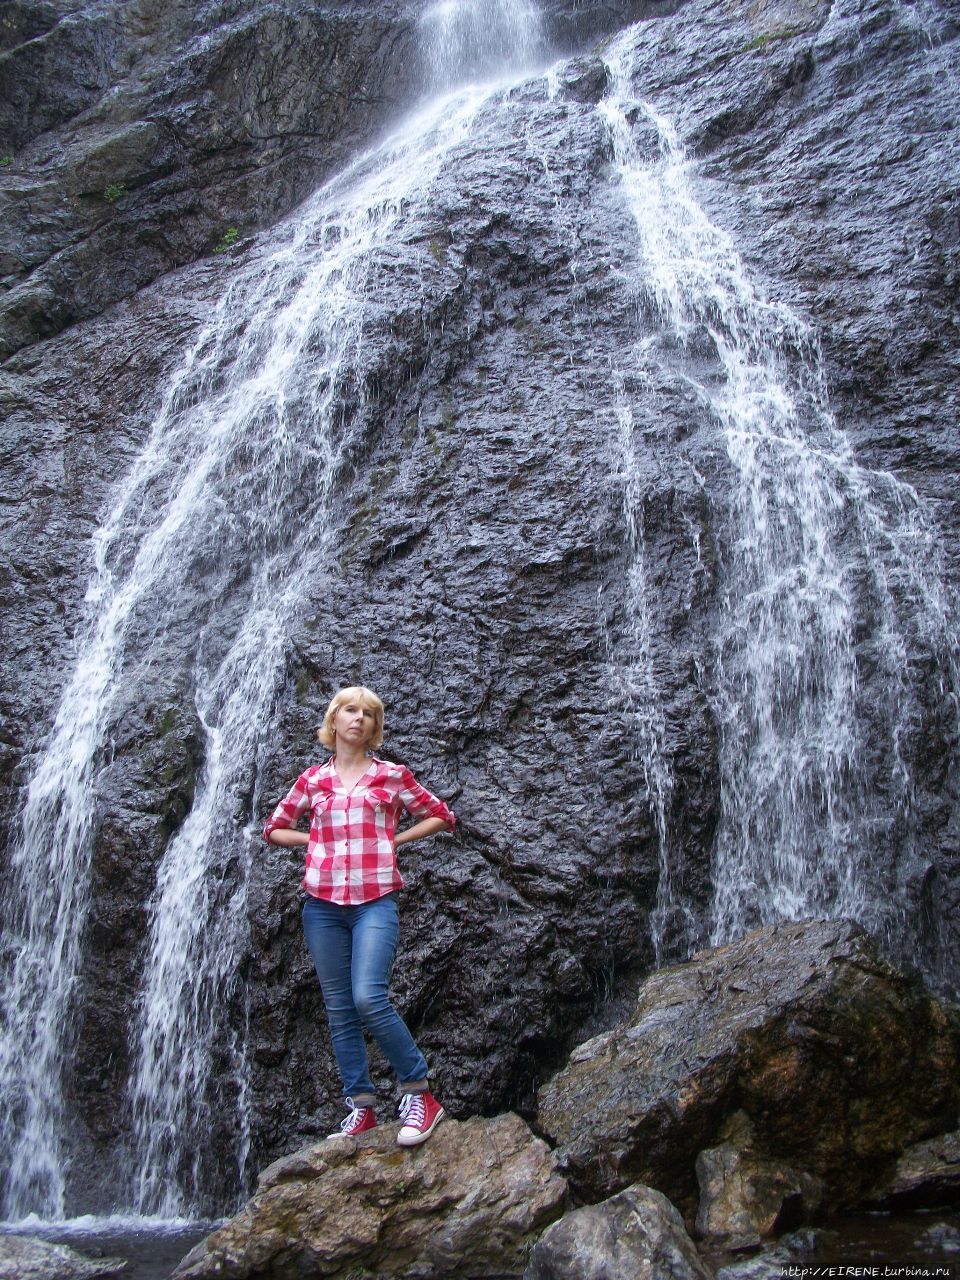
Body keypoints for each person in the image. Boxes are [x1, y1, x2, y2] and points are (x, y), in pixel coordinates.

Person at [263, 685, 456, 1146]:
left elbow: (440, 815)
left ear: (374, 728)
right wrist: (314, 843)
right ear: (333, 722)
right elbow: (274, 829)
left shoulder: (391, 776)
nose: (358, 719)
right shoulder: (312, 780)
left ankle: (419, 1094)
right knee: (339, 1009)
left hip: (374, 901)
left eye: (368, 714)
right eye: (350, 711)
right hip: (322, 906)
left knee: (369, 996)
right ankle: (361, 1108)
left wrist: (396, 841)